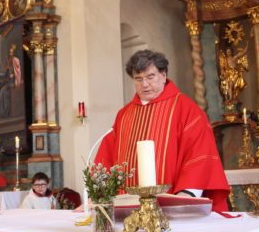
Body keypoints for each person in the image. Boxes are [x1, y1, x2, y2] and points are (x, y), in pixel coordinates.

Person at [94, 50, 230, 211]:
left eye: (150, 77)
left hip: (172, 205)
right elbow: (107, 155)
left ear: (163, 75)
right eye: (138, 79)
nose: (144, 84)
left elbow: (200, 153)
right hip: (126, 207)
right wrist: (99, 196)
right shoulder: (124, 115)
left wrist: (186, 195)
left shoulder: (185, 109)